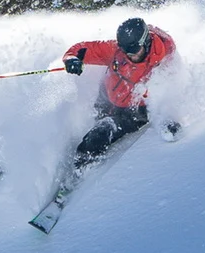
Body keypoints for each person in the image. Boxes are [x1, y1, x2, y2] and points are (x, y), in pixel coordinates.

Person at [61, 16, 177, 168]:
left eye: (134, 51)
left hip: (134, 111)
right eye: (126, 51)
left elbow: (175, 88)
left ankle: (81, 172)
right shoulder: (117, 50)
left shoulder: (164, 57)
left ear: (146, 42)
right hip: (106, 99)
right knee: (93, 128)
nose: (129, 55)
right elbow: (83, 49)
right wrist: (72, 59)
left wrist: (169, 118)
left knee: (100, 133)